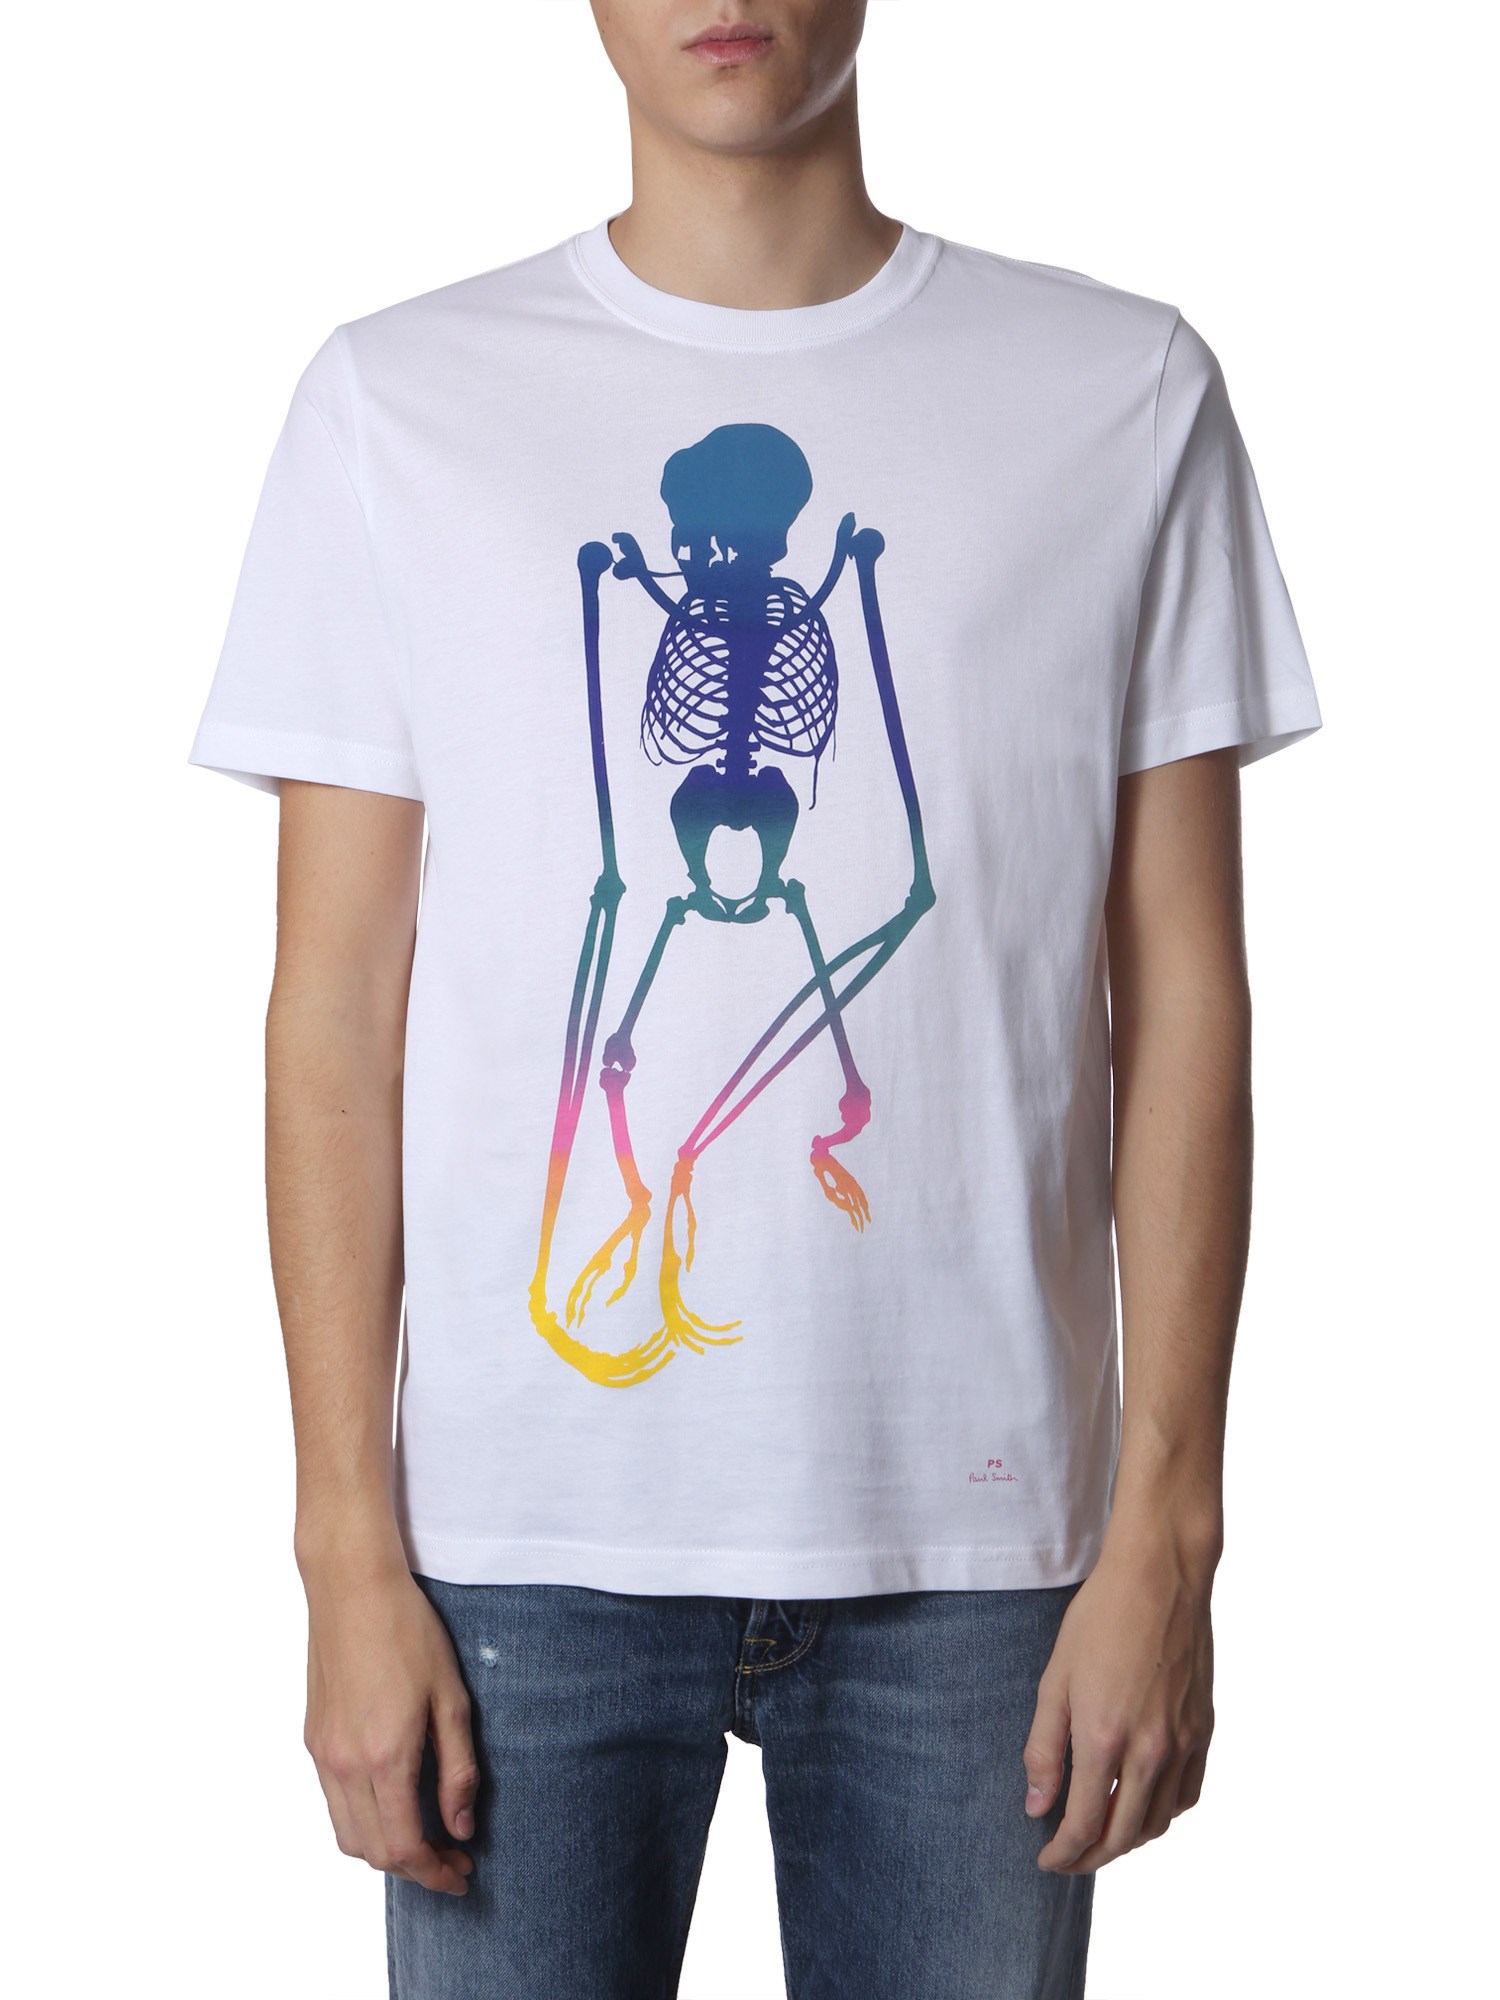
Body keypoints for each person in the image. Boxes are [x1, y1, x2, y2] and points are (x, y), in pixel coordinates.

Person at [187, 4, 1321, 1994]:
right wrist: (340, 1547)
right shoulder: (397, 402)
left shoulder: (1120, 392)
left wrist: (1170, 1531)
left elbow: (1188, 1009)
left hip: (976, 1550)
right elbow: (333, 1023)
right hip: (519, 1550)